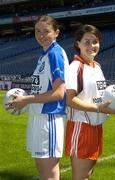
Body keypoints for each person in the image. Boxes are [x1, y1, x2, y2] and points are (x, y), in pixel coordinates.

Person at [9, 15, 69, 180]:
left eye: (46, 31)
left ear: (56, 32)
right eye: (37, 31)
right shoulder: (44, 55)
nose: (41, 35)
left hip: (49, 118)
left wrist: (26, 100)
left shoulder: (55, 53)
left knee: (49, 174)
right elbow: (43, 89)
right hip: (39, 117)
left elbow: (59, 93)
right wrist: (24, 99)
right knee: (43, 172)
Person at [65, 24, 115, 180]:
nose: (91, 46)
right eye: (86, 42)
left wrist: (114, 102)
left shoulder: (96, 66)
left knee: (87, 175)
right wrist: (99, 108)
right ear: (78, 44)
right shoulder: (76, 67)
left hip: (96, 125)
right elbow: (69, 100)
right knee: (80, 177)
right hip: (81, 126)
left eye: (95, 41)